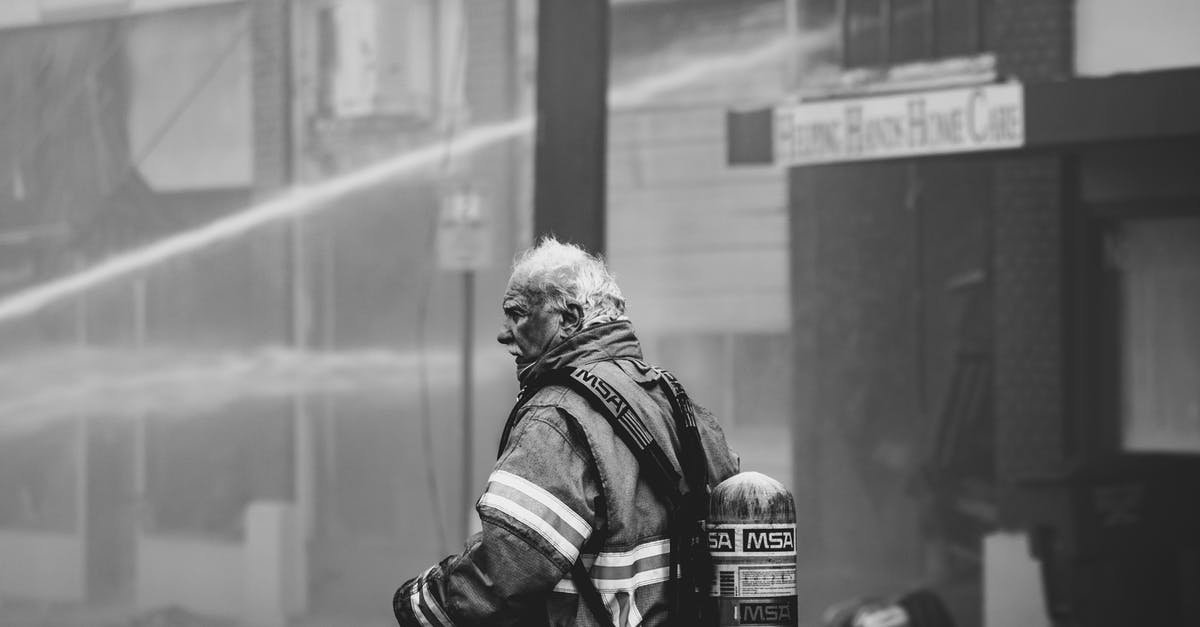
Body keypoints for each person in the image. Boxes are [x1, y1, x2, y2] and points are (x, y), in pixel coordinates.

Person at [393, 237, 739, 626]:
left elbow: (503, 573)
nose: (504, 333)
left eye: (517, 314)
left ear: (570, 318)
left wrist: (420, 603)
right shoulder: (674, 401)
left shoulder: (556, 418)